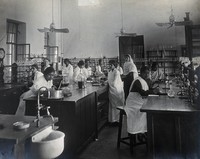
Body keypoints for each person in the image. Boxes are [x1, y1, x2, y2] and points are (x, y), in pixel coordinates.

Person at [124, 66, 159, 134]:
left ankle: (144, 132)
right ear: (141, 73)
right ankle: (142, 131)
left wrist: (154, 90)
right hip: (132, 104)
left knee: (148, 109)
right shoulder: (137, 81)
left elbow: (147, 90)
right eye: (145, 73)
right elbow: (143, 93)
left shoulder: (142, 80)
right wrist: (153, 91)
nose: (147, 75)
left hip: (138, 102)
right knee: (145, 112)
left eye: (148, 73)